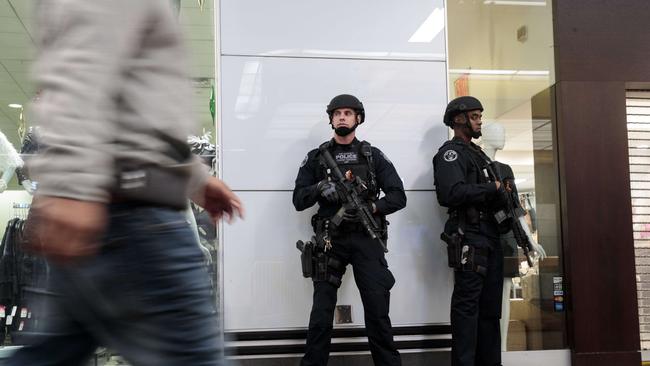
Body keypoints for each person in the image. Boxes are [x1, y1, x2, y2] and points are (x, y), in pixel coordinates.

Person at [5, 1, 244, 365]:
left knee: (48, 357)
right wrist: (75, 186)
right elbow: (81, 67)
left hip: (119, 206)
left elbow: (141, 103)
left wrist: (193, 178)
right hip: (131, 215)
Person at [293, 94, 406, 366]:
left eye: (348, 112)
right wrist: (319, 188)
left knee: (378, 311)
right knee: (321, 313)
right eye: (337, 113)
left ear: (358, 118)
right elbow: (298, 199)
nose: (342, 117)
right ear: (331, 119)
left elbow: (398, 196)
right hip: (330, 239)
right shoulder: (317, 158)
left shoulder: (372, 155)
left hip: (367, 238)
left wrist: (373, 209)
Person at [433, 96, 504, 366]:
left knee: (490, 312)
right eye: (474, 117)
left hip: (490, 236)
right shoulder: (451, 153)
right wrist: (492, 189)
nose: (479, 121)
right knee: (467, 310)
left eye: (479, 116)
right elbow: (450, 193)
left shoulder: (478, 154)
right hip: (470, 238)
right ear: (458, 119)